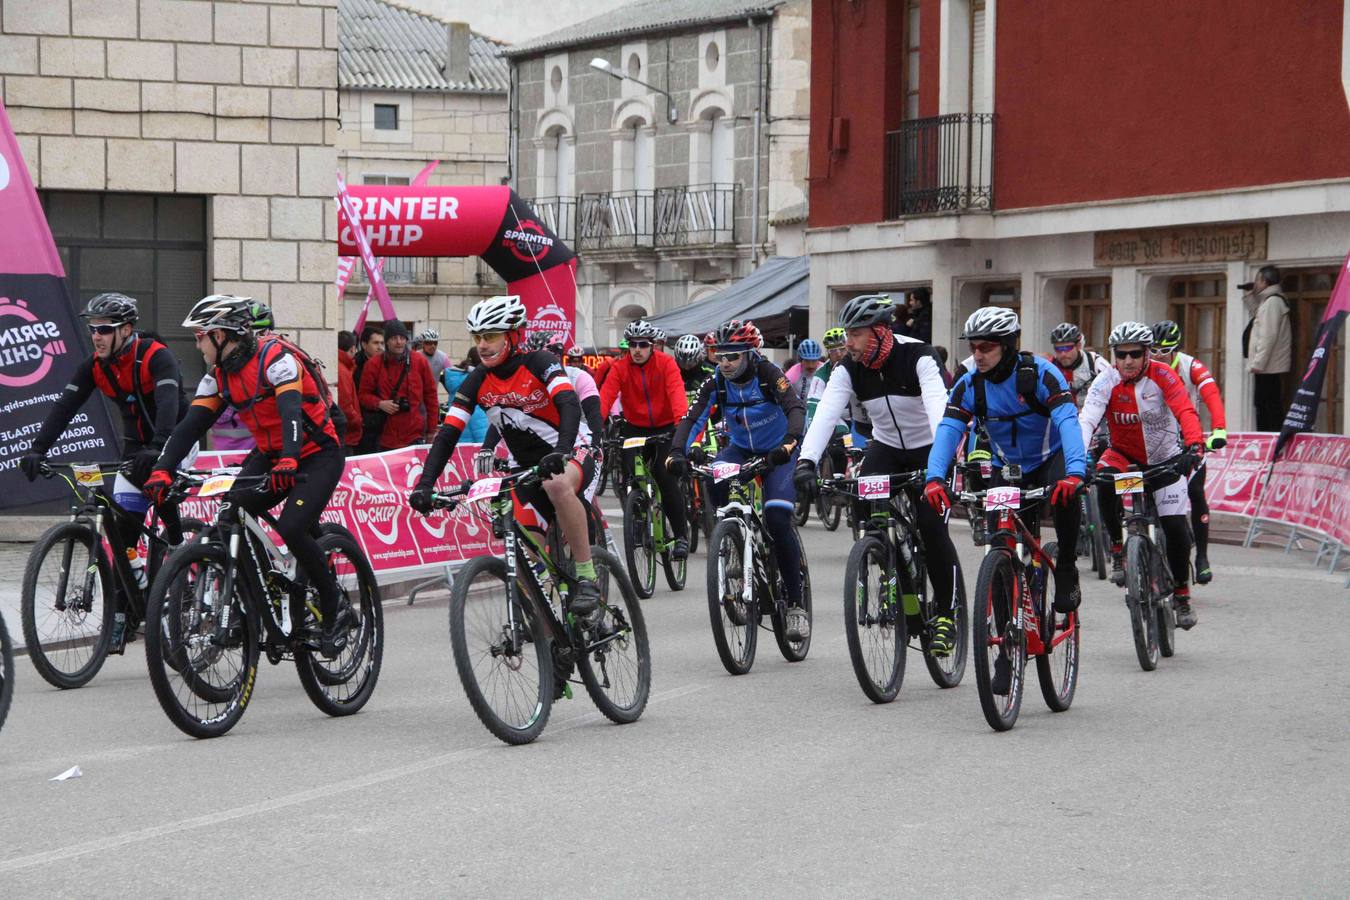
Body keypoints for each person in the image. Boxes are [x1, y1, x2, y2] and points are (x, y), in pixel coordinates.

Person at [141, 295, 352, 657]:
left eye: (200, 336)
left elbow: (290, 411)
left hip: (317, 454)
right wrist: (162, 468)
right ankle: (257, 598)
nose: (196, 344)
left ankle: (336, 610)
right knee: (230, 512)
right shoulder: (219, 377)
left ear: (221, 335)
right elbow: (191, 426)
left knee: (291, 527)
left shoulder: (275, 358)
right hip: (272, 455)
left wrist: (290, 458)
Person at [408, 295, 601, 619]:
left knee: (556, 485)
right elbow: (447, 434)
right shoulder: (477, 379)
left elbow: (569, 404)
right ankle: (549, 629)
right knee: (524, 550)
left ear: (513, 335)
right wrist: (425, 484)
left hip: (571, 449)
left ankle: (587, 577)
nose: (482, 345)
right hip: (525, 466)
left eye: (490, 336)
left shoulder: (539, 362)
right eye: (477, 337)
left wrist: (563, 451)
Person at [793, 294, 962, 656]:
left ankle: (947, 615)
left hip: (930, 447)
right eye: (847, 334)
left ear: (880, 331)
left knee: (932, 527)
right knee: (868, 510)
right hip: (885, 447)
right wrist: (806, 461)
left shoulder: (918, 355)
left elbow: (938, 407)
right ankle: (893, 572)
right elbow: (825, 414)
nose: (847, 342)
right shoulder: (848, 368)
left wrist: (938, 467)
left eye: (856, 334)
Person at [20, 292, 190, 651]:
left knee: (159, 495)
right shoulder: (95, 366)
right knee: (124, 530)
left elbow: (168, 406)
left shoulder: (155, 357)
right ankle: (125, 613)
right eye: (92, 328)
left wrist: (159, 449)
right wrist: (38, 449)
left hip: (174, 440)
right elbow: (64, 407)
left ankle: (180, 553)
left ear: (126, 330)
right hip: (135, 450)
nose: (95, 335)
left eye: (104, 329)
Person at [925, 308, 1088, 629]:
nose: (977, 355)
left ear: (1008, 344)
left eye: (986, 347)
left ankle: (1067, 566)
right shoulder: (969, 384)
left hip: (1049, 459)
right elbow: (948, 431)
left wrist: (1075, 472)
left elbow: (1069, 421)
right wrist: (934, 478)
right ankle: (1004, 646)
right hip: (1008, 468)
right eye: (973, 347)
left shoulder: (1041, 374)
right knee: (1000, 547)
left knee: (1067, 496)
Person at [669, 320, 809, 639]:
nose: (726, 362)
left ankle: (797, 605)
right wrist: (676, 451)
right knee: (712, 477)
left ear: (749, 353)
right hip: (741, 449)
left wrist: (789, 443)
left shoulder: (768, 374)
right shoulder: (717, 380)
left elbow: (794, 407)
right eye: (720, 355)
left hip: (778, 455)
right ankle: (730, 534)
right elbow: (693, 416)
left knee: (776, 517)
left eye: (733, 356)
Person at [1079, 321, 1204, 630]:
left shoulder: (1164, 375)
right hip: (1124, 455)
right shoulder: (1105, 381)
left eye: (1135, 354)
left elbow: (1185, 411)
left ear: (1147, 353)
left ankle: (1181, 594)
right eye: (1121, 355)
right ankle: (1118, 548)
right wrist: (1077, 458)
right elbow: (1087, 419)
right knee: (1104, 481)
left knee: (1175, 526)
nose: (1128, 361)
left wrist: (1194, 446)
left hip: (1164, 458)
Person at [599, 319, 690, 557]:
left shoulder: (666, 364)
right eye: (632, 345)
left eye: (642, 345)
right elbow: (605, 397)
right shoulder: (620, 367)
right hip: (635, 429)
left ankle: (680, 535)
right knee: (630, 476)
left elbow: (677, 395)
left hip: (665, 427)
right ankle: (637, 516)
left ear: (652, 346)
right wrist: (594, 428)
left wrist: (681, 426)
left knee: (664, 475)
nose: (637, 350)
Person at [1152, 319, 1227, 585]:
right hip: (1156, 440)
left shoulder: (1191, 366)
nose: (1158, 355)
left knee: (1195, 492)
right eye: (1153, 350)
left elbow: (1211, 395)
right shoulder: (1144, 368)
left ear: (1176, 349)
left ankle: (1203, 557)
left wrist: (1219, 429)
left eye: (1165, 350)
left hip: (1188, 437)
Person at [357, 320, 438, 452]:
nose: (399, 342)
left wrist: (431, 430)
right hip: (385, 436)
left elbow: (431, 397)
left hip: (415, 434)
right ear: (387, 341)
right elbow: (363, 395)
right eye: (394, 338)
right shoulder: (373, 365)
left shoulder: (419, 361)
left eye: (402, 338)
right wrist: (379, 403)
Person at [1242, 265, 1292, 431]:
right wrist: (1250, 295)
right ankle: (1268, 438)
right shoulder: (1269, 302)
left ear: (1265, 281)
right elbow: (1258, 316)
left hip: (1268, 367)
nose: (1256, 284)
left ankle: (1270, 441)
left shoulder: (1273, 302)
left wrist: (1258, 363)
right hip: (1267, 366)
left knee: (1267, 406)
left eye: (1258, 280)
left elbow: (1268, 337)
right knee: (1265, 405)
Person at [1046, 322, 1107, 408]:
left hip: (1092, 416)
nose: (1063, 354)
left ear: (1078, 346)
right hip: (1062, 417)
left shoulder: (1095, 363)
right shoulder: (1050, 367)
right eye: (1058, 349)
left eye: (1067, 348)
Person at [441, 347, 489, 444]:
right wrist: (486, 446)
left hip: (458, 441)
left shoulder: (454, 379)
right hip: (473, 445)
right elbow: (478, 422)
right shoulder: (476, 382)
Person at [337, 330, 364, 452]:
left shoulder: (341, 366)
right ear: (353, 349)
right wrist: (358, 421)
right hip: (346, 435)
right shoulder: (342, 370)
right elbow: (345, 405)